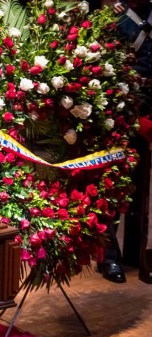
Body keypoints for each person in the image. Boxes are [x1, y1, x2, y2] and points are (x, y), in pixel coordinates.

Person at [97, 0, 152, 283]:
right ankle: (108, 257)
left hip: (148, 110)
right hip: (119, 109)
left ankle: (138, 253)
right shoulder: (111, 13)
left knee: (142, 189)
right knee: (114, 182)